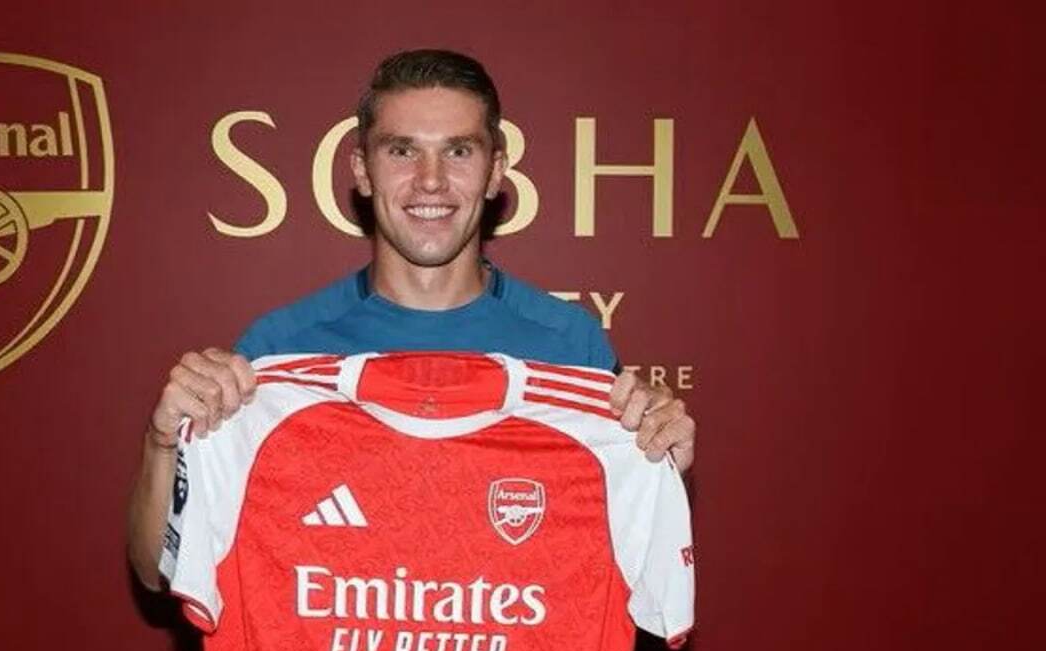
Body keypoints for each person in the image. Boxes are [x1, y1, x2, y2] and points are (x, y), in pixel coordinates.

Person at [128, 48, 696, 593]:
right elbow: (161, 571)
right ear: (363, 170)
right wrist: (163, 444)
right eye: (402, 151)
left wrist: (660, 465)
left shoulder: (570, 347)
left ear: (495, 172)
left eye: (459, 151)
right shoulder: (281, 353)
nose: (430, 180)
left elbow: (638, 567)